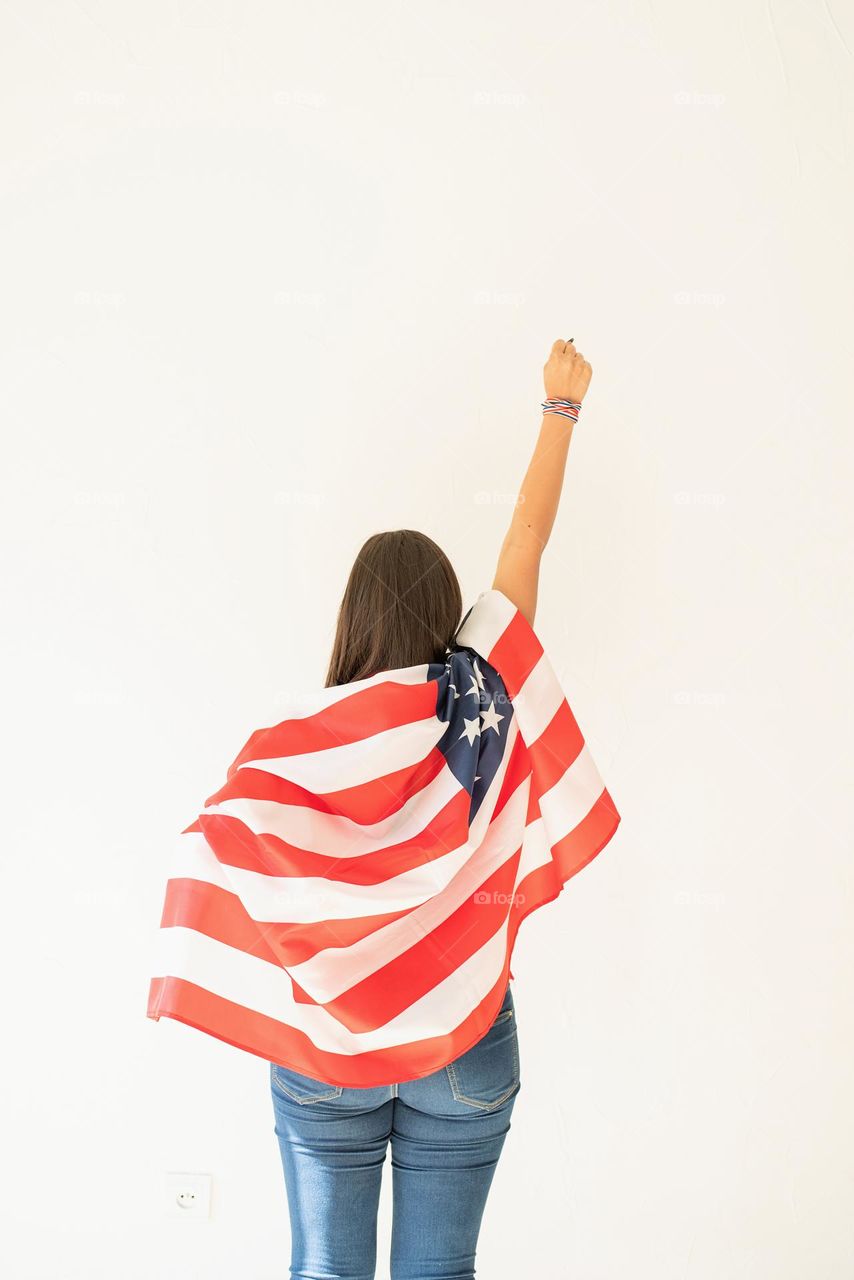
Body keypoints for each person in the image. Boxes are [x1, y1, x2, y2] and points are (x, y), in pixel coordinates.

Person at [269, 338, 595, 1280]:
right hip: (464, 1039)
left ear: (350, 620)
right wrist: (560, 410)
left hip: (333, 1043)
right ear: (448, 612)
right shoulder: (483, 696)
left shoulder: (312, 740)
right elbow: (526, 541)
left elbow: (255, 864)